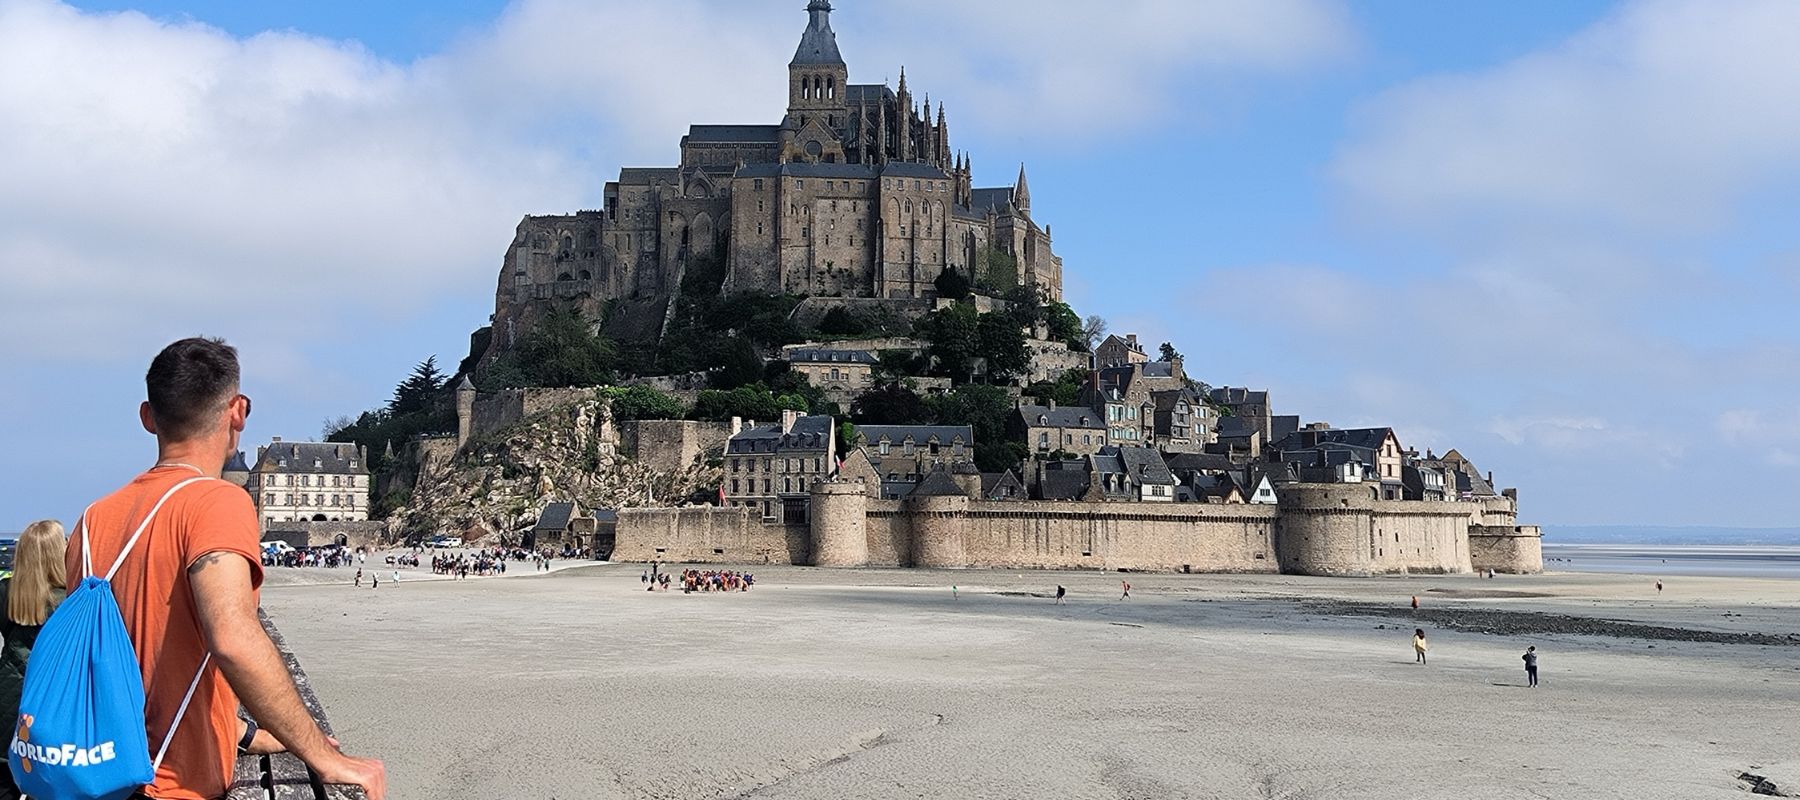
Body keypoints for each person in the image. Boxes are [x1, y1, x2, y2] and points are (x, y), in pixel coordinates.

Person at [72, 338, 384, 800]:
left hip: (95, 775)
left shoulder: (93, 519)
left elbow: (136, 657)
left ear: (147, 416)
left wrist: (244, 732)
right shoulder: (217, 502)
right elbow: (234, 640)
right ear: (238, 411)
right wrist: (324, 755)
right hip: (172, 784)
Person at [0, 520, 69, 800]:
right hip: (53, 695)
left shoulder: (7, 591)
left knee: (6, 775)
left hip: (10, 690)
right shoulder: (70, 599)